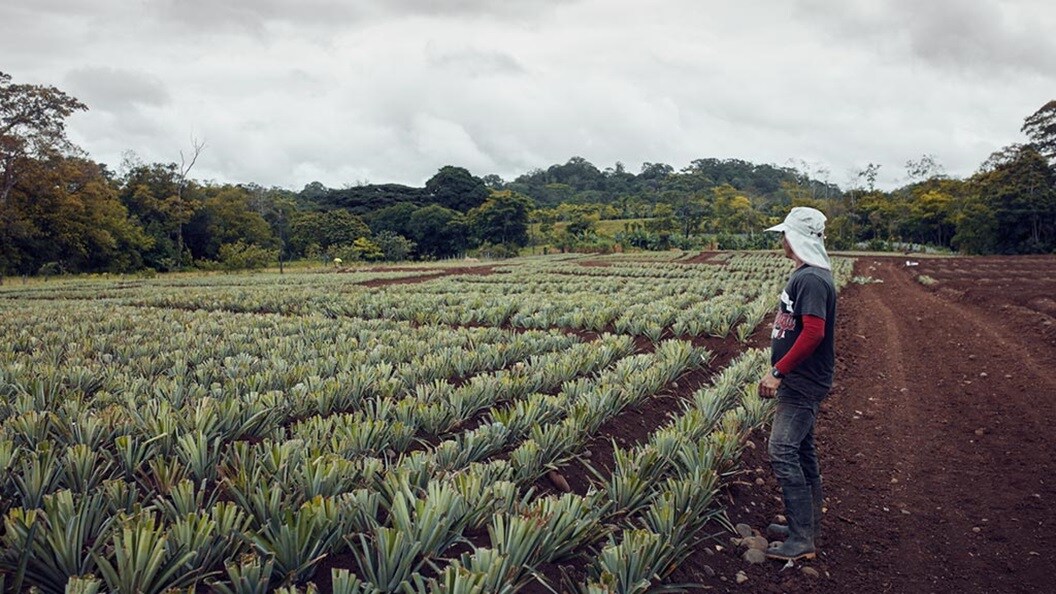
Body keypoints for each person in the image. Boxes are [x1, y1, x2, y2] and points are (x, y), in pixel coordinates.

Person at [757, 207, 837, 562]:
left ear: (797, 238)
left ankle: (802, 537)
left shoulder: (811, 280)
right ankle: (804, 527)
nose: (782, 240)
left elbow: (814, 333)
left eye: (785, 234)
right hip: (801, 378)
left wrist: (778, 371)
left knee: (783, 450)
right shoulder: (809, 275)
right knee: (802, 452)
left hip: (802, 381)